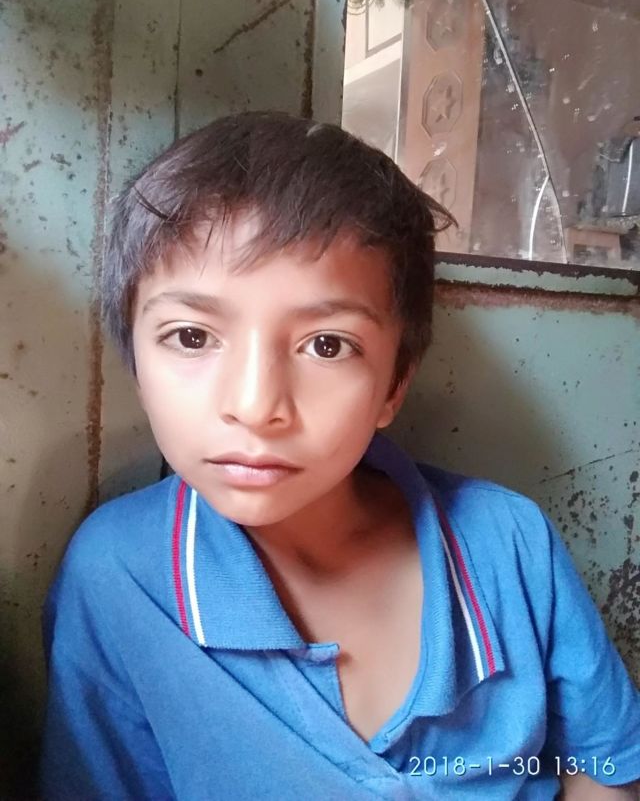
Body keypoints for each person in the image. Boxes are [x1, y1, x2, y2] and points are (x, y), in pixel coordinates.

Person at [40, 111, 640, 800]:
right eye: (192, 336)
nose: (256, 405)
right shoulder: (119, 575)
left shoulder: (508, 543)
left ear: (394, 384)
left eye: (327, 345)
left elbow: (604, 769)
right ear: (137, 365)